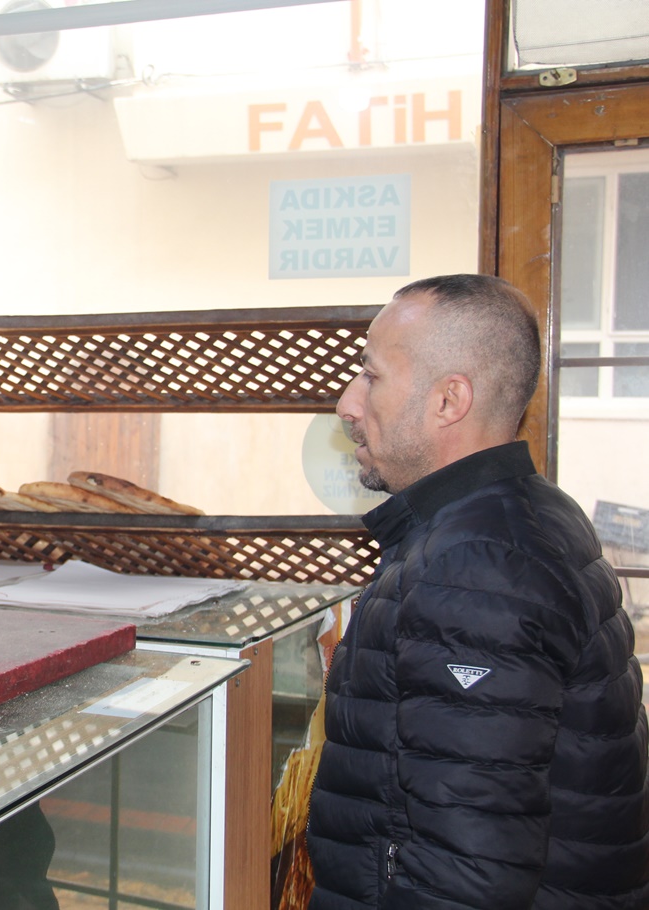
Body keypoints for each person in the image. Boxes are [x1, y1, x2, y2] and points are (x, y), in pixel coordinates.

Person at [306, 274, 649, 909]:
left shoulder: (478, 566)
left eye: (372, 376)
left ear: (449, 400)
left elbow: (466, 879)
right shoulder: (514, 518)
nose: (347, 404)